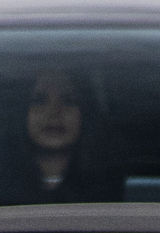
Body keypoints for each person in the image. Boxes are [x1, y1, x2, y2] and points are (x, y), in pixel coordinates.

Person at [9, 68, 115, 201]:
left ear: (86, 113)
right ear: (22, 113)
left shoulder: (110, 190)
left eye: (68, 101)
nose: (54, 112)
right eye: (39, 101)